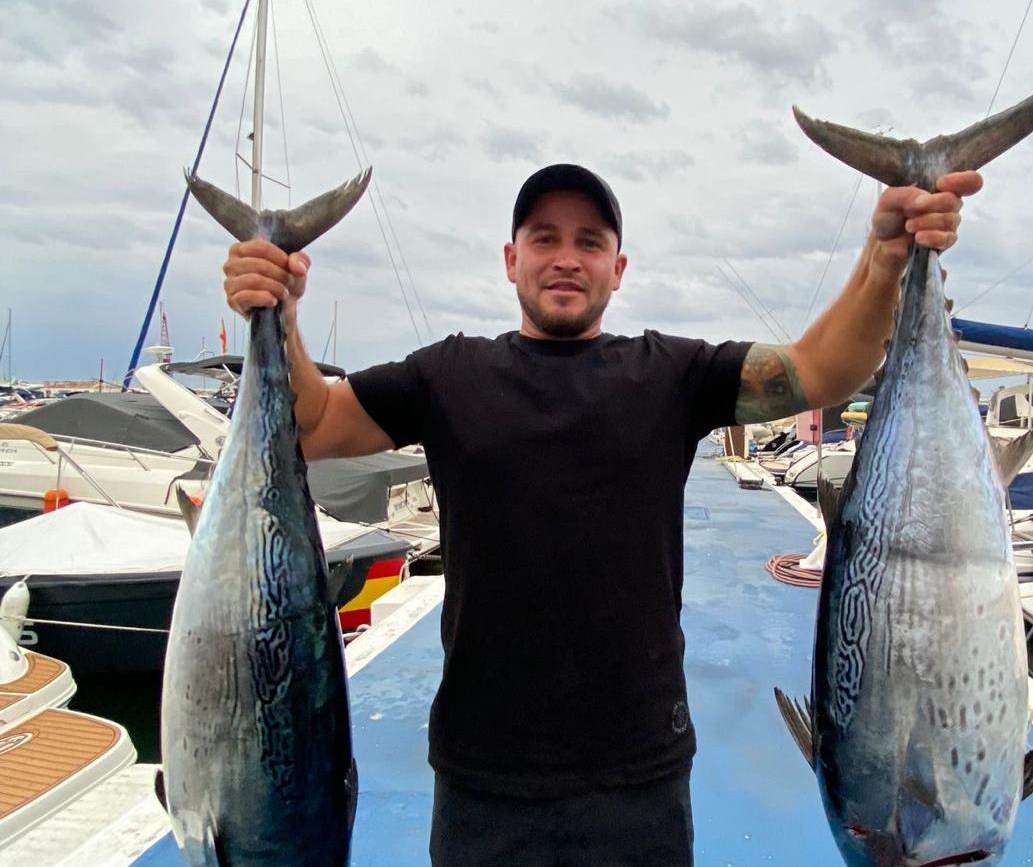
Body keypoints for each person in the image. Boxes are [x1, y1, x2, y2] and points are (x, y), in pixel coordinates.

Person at [222, 162, 981, 866]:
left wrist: (885, 261)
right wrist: (278, 311)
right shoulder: (446, 376)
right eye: (543, 238)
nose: (565, 257)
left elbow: (820, 369)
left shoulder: (671, 375)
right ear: (510, 259)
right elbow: (315, 423)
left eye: (589, 241)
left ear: (617, 270)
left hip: (638, 774)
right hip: (483, 777)